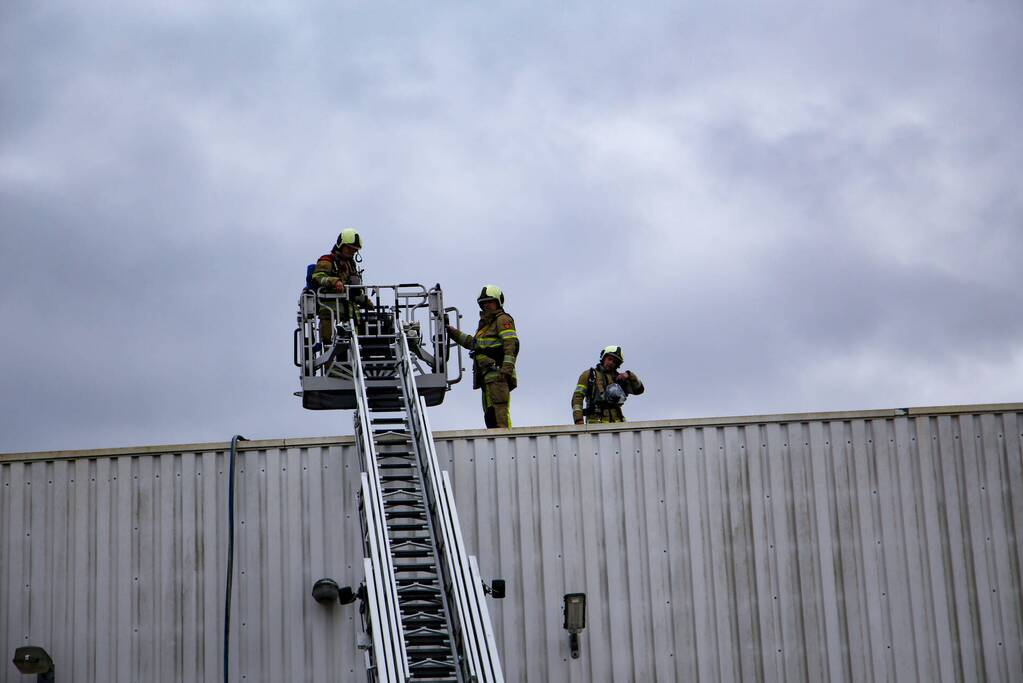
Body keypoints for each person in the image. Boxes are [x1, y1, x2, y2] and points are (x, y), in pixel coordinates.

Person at [447, 285, 519, 428]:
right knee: (490, 414)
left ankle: (505, 439)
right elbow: (472, 344)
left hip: (498, 374)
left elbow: (511, 346)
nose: (486, 305)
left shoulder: (502, 319)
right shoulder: (485, 326)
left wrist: (505, 371)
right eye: (484, 303)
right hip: (486, 376)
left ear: (498, 302)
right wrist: (451, 331)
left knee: (500, 412)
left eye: (490, 302)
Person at [310, 228, 368, 345]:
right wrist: (335, 281)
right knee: (330, 345)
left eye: (354, 250)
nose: (352, 252)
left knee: (352, 347)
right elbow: (318, 276)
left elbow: (354, 290)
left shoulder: (351, 265)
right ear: (340, 245)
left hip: (350, 315)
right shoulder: (327, 261)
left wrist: (366, 302)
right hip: (331, 313)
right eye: (349, 248)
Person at [571, 346, 644, 424]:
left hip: (619, 424)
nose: (611, 363)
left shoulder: (619, 379)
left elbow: (639, 390)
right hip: (596, 424)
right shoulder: (589, 375)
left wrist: (630, 375)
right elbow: (577, 397)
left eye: (614, 362)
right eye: (609, 359)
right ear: (603, 358)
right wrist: (578, 419)